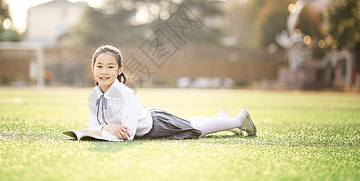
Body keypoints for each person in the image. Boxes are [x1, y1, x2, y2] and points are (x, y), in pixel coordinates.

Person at [80, 45, 256, 141]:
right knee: (187, 123)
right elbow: (92, 127)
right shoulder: (95, 95)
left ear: (119, 70)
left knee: (195, 130)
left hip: (156, 125)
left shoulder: (126, 95)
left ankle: (238, 120)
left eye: (110, 67)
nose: (104, 71)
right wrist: (106, 128)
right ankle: (224, 120)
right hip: (151, 116)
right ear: (92, 68)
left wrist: (99, 130)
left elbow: (127, 135)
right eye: (99, 66)